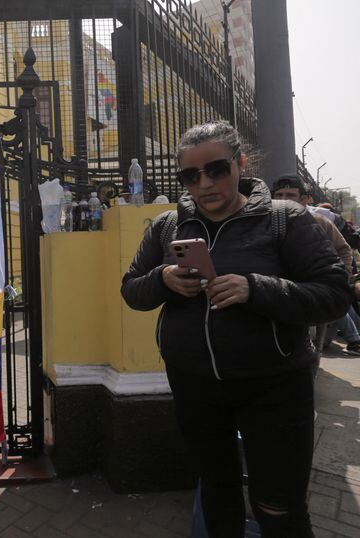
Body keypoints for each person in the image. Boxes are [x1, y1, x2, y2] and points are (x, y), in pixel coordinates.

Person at [121, 121, 352, 537]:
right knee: (217, 493)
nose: (204, 183)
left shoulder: (285, 220)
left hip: (275, 389)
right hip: (195, 388)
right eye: (190, 175)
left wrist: (256, 289)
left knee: (277, 506)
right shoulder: (167, 226)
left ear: (240, 164)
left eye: (216, 170)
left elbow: (333, 295)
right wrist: (164, 280)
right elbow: (132, 291)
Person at [272, 175, 359, 356]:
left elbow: (343, 250)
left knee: (312, 344)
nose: (283, 200)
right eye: (279, 195)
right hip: (281, 292)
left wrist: (340, 280)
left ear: (304, 199)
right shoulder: (268, 223)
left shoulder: (320, 222)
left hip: (314, 292)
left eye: (290, 195)